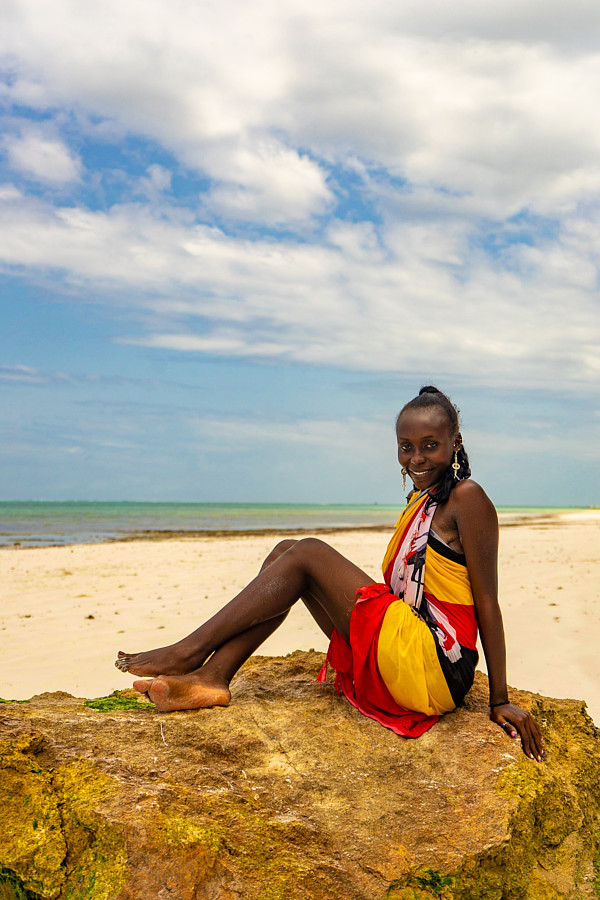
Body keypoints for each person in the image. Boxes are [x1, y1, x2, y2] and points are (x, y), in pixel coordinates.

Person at [115, 385, 543, 761]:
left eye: (430, 445)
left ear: (455, 442)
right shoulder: (424, 499)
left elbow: (487, 601)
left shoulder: (468, 499)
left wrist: (499, 699)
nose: (416, 458)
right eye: (405, 446)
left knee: (309, 554)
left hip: (435, 667)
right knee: (287, 551)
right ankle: (212, 676)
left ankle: (190, 652)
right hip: (405, 655)